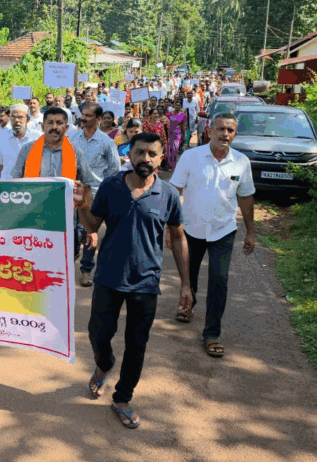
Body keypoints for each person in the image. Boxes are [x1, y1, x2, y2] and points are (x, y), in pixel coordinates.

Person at [80, 131, 191, 429]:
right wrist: (81, 206)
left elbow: (178, 237)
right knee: (98, 333)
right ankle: (104, 365)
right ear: (129, 155)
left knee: (136, 344)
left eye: (152, 154)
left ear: (161, 158)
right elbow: (93, 224)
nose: (145, 158)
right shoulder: (112, 186)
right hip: (108, 276)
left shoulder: (168, 194)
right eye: (140, 152)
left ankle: (122, 398)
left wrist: (185, 284)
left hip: (146, 282)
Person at [168, 113, 256, 359]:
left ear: (235, 135)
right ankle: (188, 304)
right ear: (209, 131)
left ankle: (211, 334)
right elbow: (175, 192)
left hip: (223, 230)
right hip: (190, 228)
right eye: (221, 129)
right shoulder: (191, 157)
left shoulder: (241, 162)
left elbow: (246, 197)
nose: (225, 134)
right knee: (190, 273)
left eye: (230, 130)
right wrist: (169, 228)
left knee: (219, 279)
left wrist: (250, 231)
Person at [70, 102, 121, 287]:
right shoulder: (72, 138)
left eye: (88, 115)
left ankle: (86, 270)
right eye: (83, 114)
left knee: (89, 231)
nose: (83, 118)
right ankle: (72, 256)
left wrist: (102, 187)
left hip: (94, 193)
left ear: (98, 119)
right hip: (74, 191)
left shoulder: (106, 142)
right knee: (73, 231)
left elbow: (114, 168)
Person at [11, 106, 93, 213]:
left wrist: (84, 208)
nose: (54, 127)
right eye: (50, 123)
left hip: (66, 214)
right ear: (42, 126)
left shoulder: (76, 152)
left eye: (59, 123)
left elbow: (87, 187)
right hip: (32, 212)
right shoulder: (27, 150)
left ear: (66, 128)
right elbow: (15, 183)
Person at [0, 103, 41, 179]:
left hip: (30, 183)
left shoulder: (37, 137)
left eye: (20, 117)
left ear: (27, 119)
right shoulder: (2, 138)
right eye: (13, 117)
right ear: (10, 119)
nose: (17, 120)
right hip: (8, 183)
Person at [165, 101, 187, 170]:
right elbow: (165, 122)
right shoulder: (169, 114)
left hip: (177, 133)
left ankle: (173, 166)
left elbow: (183, 126)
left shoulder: (182, 115)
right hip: (169, 133)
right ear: (174, 106)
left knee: (175, 149)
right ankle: (168, 166)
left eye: (179, 105)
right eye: (176, 105)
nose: (177, 106)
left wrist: (184, 135)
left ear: (181, 106)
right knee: (169, 149)